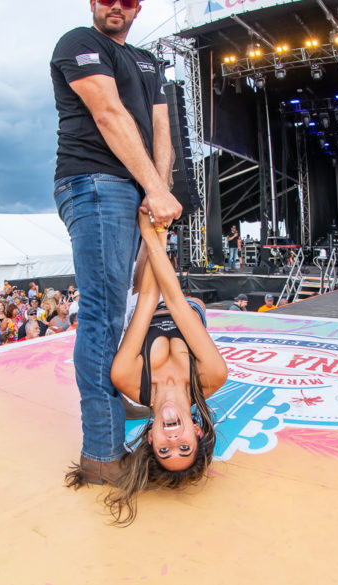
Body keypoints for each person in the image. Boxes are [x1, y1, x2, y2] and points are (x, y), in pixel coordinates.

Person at [51, 0, 182, 483]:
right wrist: (153, 187)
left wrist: (159, 189)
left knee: (115, 310)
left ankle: (109, 415)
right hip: (93, 181)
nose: (117, 6)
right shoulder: (79, 43)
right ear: (92, 2)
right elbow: (108, 114)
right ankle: (101, 456)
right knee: (104, 316)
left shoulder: (149, 62)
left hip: (131, 188)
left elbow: (162, 130)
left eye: (127, 0)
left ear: (138, 7)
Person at [66, 212, 227, 524]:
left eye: (165, 451)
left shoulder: (127, 379)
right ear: (196, 431)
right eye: (184, 447)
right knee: (192, 305)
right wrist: (156, 232)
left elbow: (150, 298)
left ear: (151, 438)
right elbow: (176, 301)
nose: (172, 441)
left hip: (149, 305)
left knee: (139, 290)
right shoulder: (211, 377)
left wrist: (153, 232)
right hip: (184, 307)